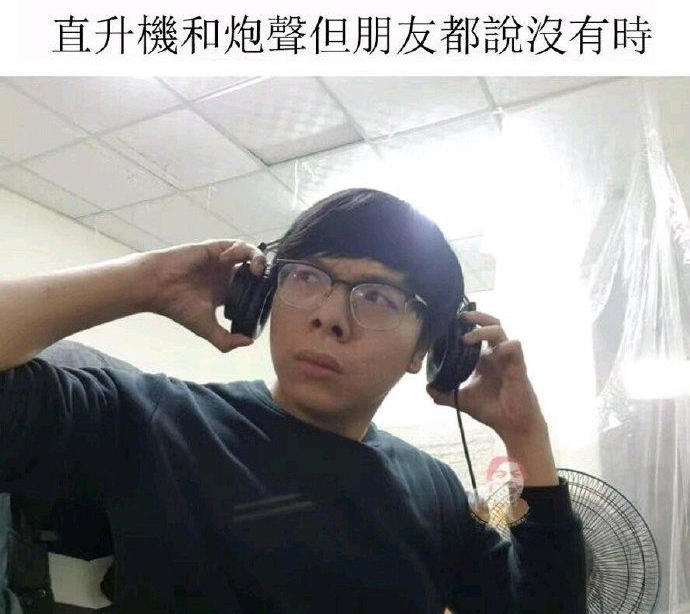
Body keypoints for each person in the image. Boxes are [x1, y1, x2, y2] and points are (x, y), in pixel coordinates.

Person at [0, 188, 586, 613]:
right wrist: (147, 280)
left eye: (377, 297)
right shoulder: (155, 421)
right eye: (306, 277)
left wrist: (525, 438)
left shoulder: (433, 488)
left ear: (427, 350)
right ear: (261, 296)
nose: (329, 316)